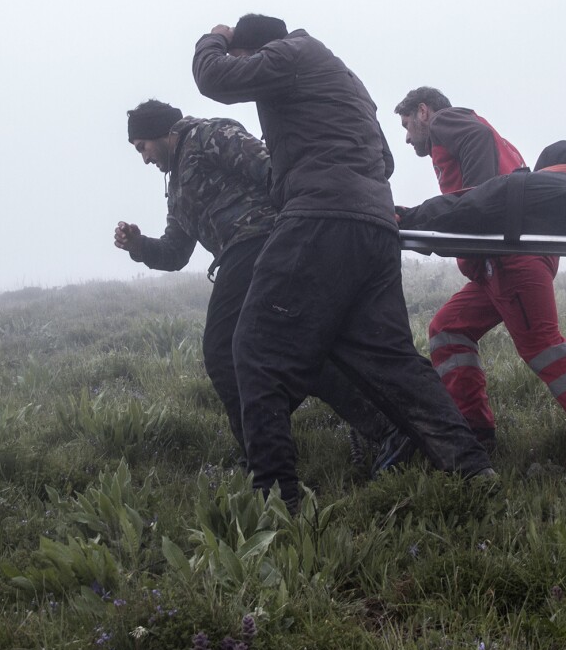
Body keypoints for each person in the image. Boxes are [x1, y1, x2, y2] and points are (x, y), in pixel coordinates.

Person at [191, 15, 493, 510]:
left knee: (252, 349)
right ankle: (473, 468)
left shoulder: (290, 54)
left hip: (319, 220)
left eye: (247, 60)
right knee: (392, 360)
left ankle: (275, 500)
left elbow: (213, 78)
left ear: (257, 49)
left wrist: (216, 38)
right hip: (373, 225)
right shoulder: (345, 79)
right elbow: (386, 161)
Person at [116, 100, 411, 476]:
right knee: (298, 353)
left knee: (222, 350)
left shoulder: (210, 134)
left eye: (142, 146)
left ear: (163, 132)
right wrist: (140, 246)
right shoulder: (176, 188)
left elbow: (273, 170)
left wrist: (309, 228)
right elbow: (175, 252)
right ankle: (385, 429)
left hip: (264, 242)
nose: (143, 158)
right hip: (240, 253)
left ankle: (262, 458)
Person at [394, 87, 566, 479]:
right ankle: (475, 435)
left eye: (407, 124)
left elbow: (479, 192)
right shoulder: (474, 141)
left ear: (424, 112)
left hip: (511, 259)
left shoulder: (449, 122)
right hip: (503, 261)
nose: (407, 136)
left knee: (543, 346)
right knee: (448, 329)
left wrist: (479, 203)